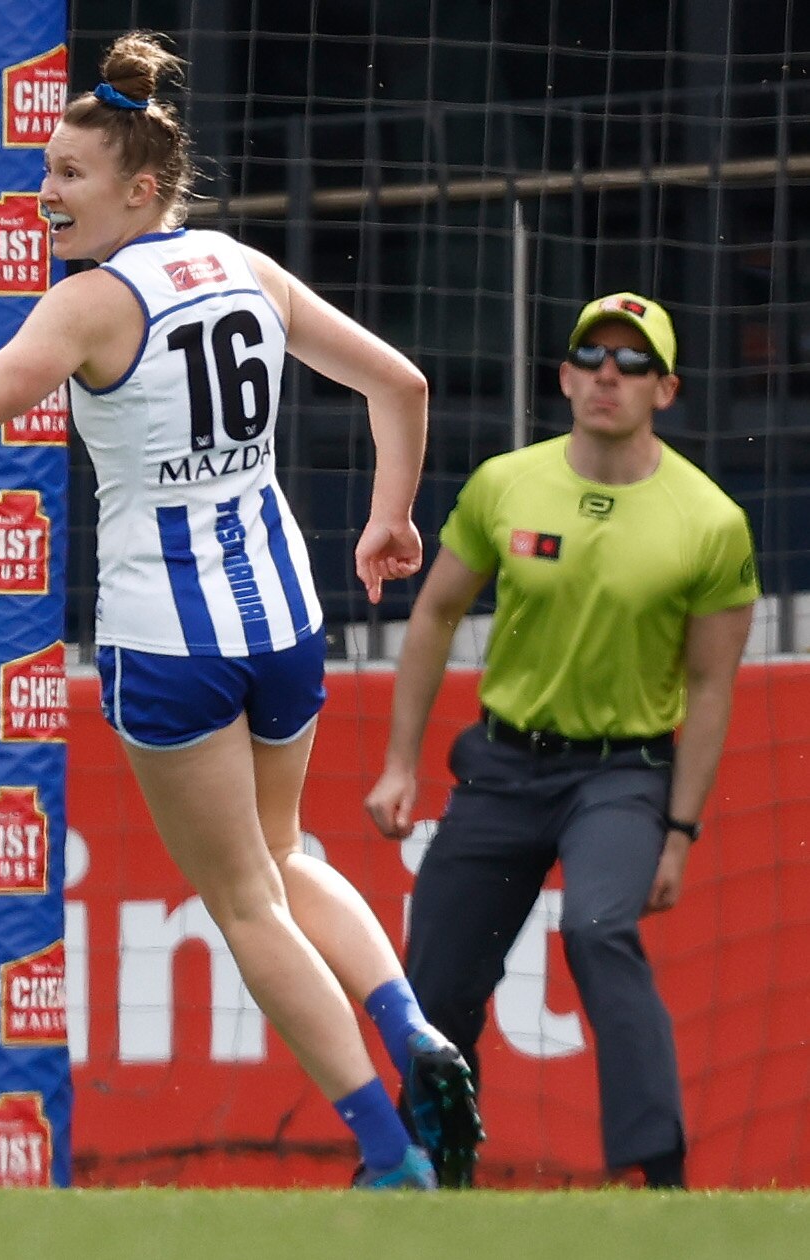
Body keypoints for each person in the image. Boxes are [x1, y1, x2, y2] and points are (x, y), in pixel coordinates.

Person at [0, 33, 479, 1190]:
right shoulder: (238, 265)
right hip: (283, 618)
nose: (41, 192)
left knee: (246, 899)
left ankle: (387, 1153)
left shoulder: (89, 306)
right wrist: (387, 521)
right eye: (44, 168)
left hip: (169, 636)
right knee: (285, 850)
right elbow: (399, 384)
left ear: (137, 188)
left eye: (65, 175)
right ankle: (411, 1026)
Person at [363, 292, 759, 1189]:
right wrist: (398, 765)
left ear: (666, 389)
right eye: (592, 358)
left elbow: (708, 686)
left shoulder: (711, 521)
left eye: (631, 364)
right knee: (437, 982)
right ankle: (425, 1167)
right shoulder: (506, 483)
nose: (607, 377)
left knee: (596, 929)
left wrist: (680, 831)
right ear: (564, 377)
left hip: (622, 774)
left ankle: (656, 1176)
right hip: (503, 765)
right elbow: (432, 614)